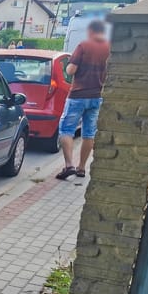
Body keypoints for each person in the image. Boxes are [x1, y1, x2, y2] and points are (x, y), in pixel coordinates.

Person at [55, 19, 110, 180]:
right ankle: (81, 168)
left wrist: (68, 67)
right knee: (89, 133)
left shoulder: (84, 46)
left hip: (78, 95)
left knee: (66, 129)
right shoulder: (109, 47)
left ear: (91, 31)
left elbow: (71, 70)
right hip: (97, 96)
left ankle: (69, 165)